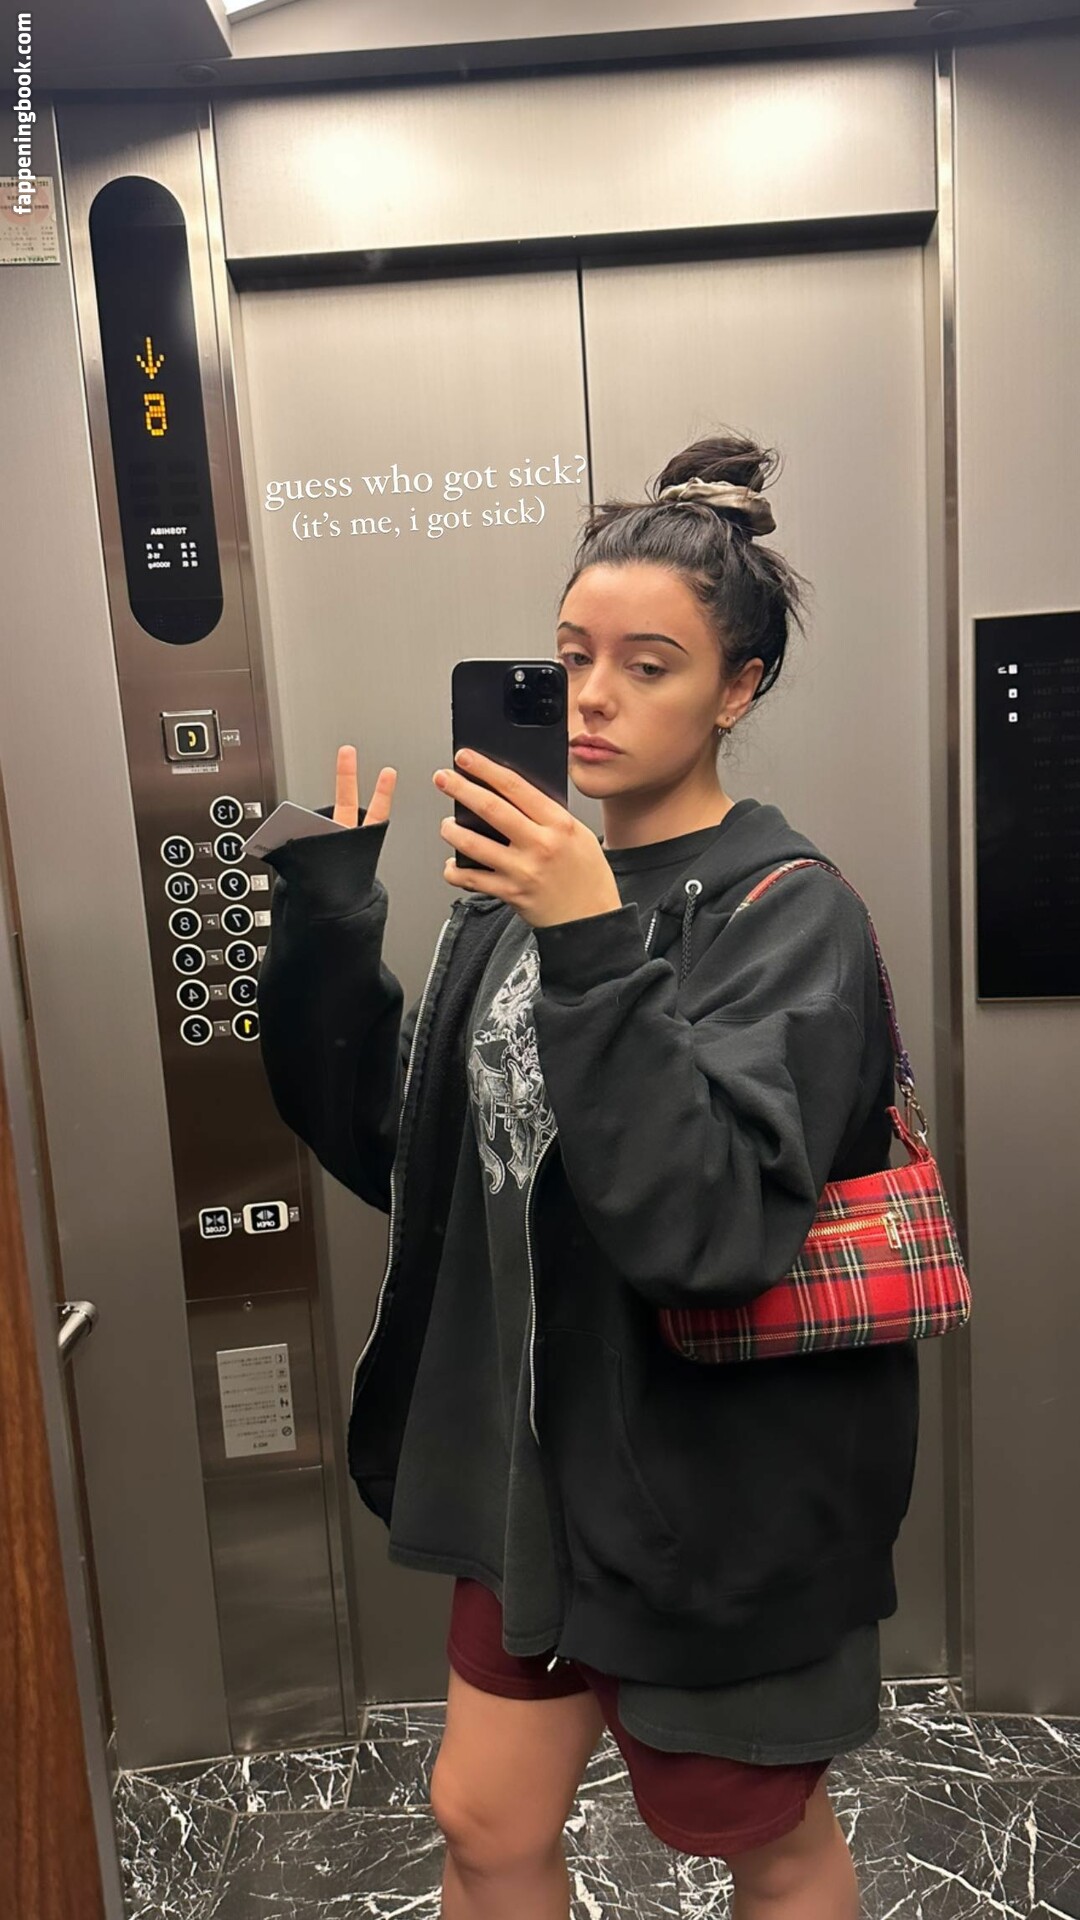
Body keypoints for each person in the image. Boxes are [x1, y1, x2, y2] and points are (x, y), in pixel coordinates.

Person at [257, 430, 919, 1920]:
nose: (593, 697)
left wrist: (589, 936)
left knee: (758, 1839)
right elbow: (406, 1153)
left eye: (649, 663)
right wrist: (331, 923)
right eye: (571, 658)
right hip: (529, 1474)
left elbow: (705, 1228)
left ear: (739, 688)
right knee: (482, 1823)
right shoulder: (520, 901)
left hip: (706, 1496)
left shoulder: (785, 913)